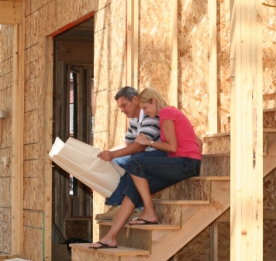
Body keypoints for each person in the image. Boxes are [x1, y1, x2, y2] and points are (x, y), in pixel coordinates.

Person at [89, 87, 202, 249]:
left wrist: (147, 142)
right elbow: (198, 142)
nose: (145, 112)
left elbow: (171, 146)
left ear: (154, 102)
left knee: (135, 162)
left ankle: (149, 211)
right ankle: (111, 237)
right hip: (179, 163)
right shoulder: (166, 115)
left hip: (185, 164)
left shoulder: (167, 113)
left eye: (145, 108)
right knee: (133, 188)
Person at [95, 86, 166, 221]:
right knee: (113, 163)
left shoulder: (149, 115)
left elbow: (140, 147)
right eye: (120, 107)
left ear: (135, 99)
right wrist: (106, 153)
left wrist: (114, 155)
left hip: (156, 155)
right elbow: (127, 144)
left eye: (124, 105)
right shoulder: (134, 119)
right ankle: (117, 205)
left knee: (132, 161)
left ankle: (132, 207)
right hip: (142, 155)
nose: (122, 110)